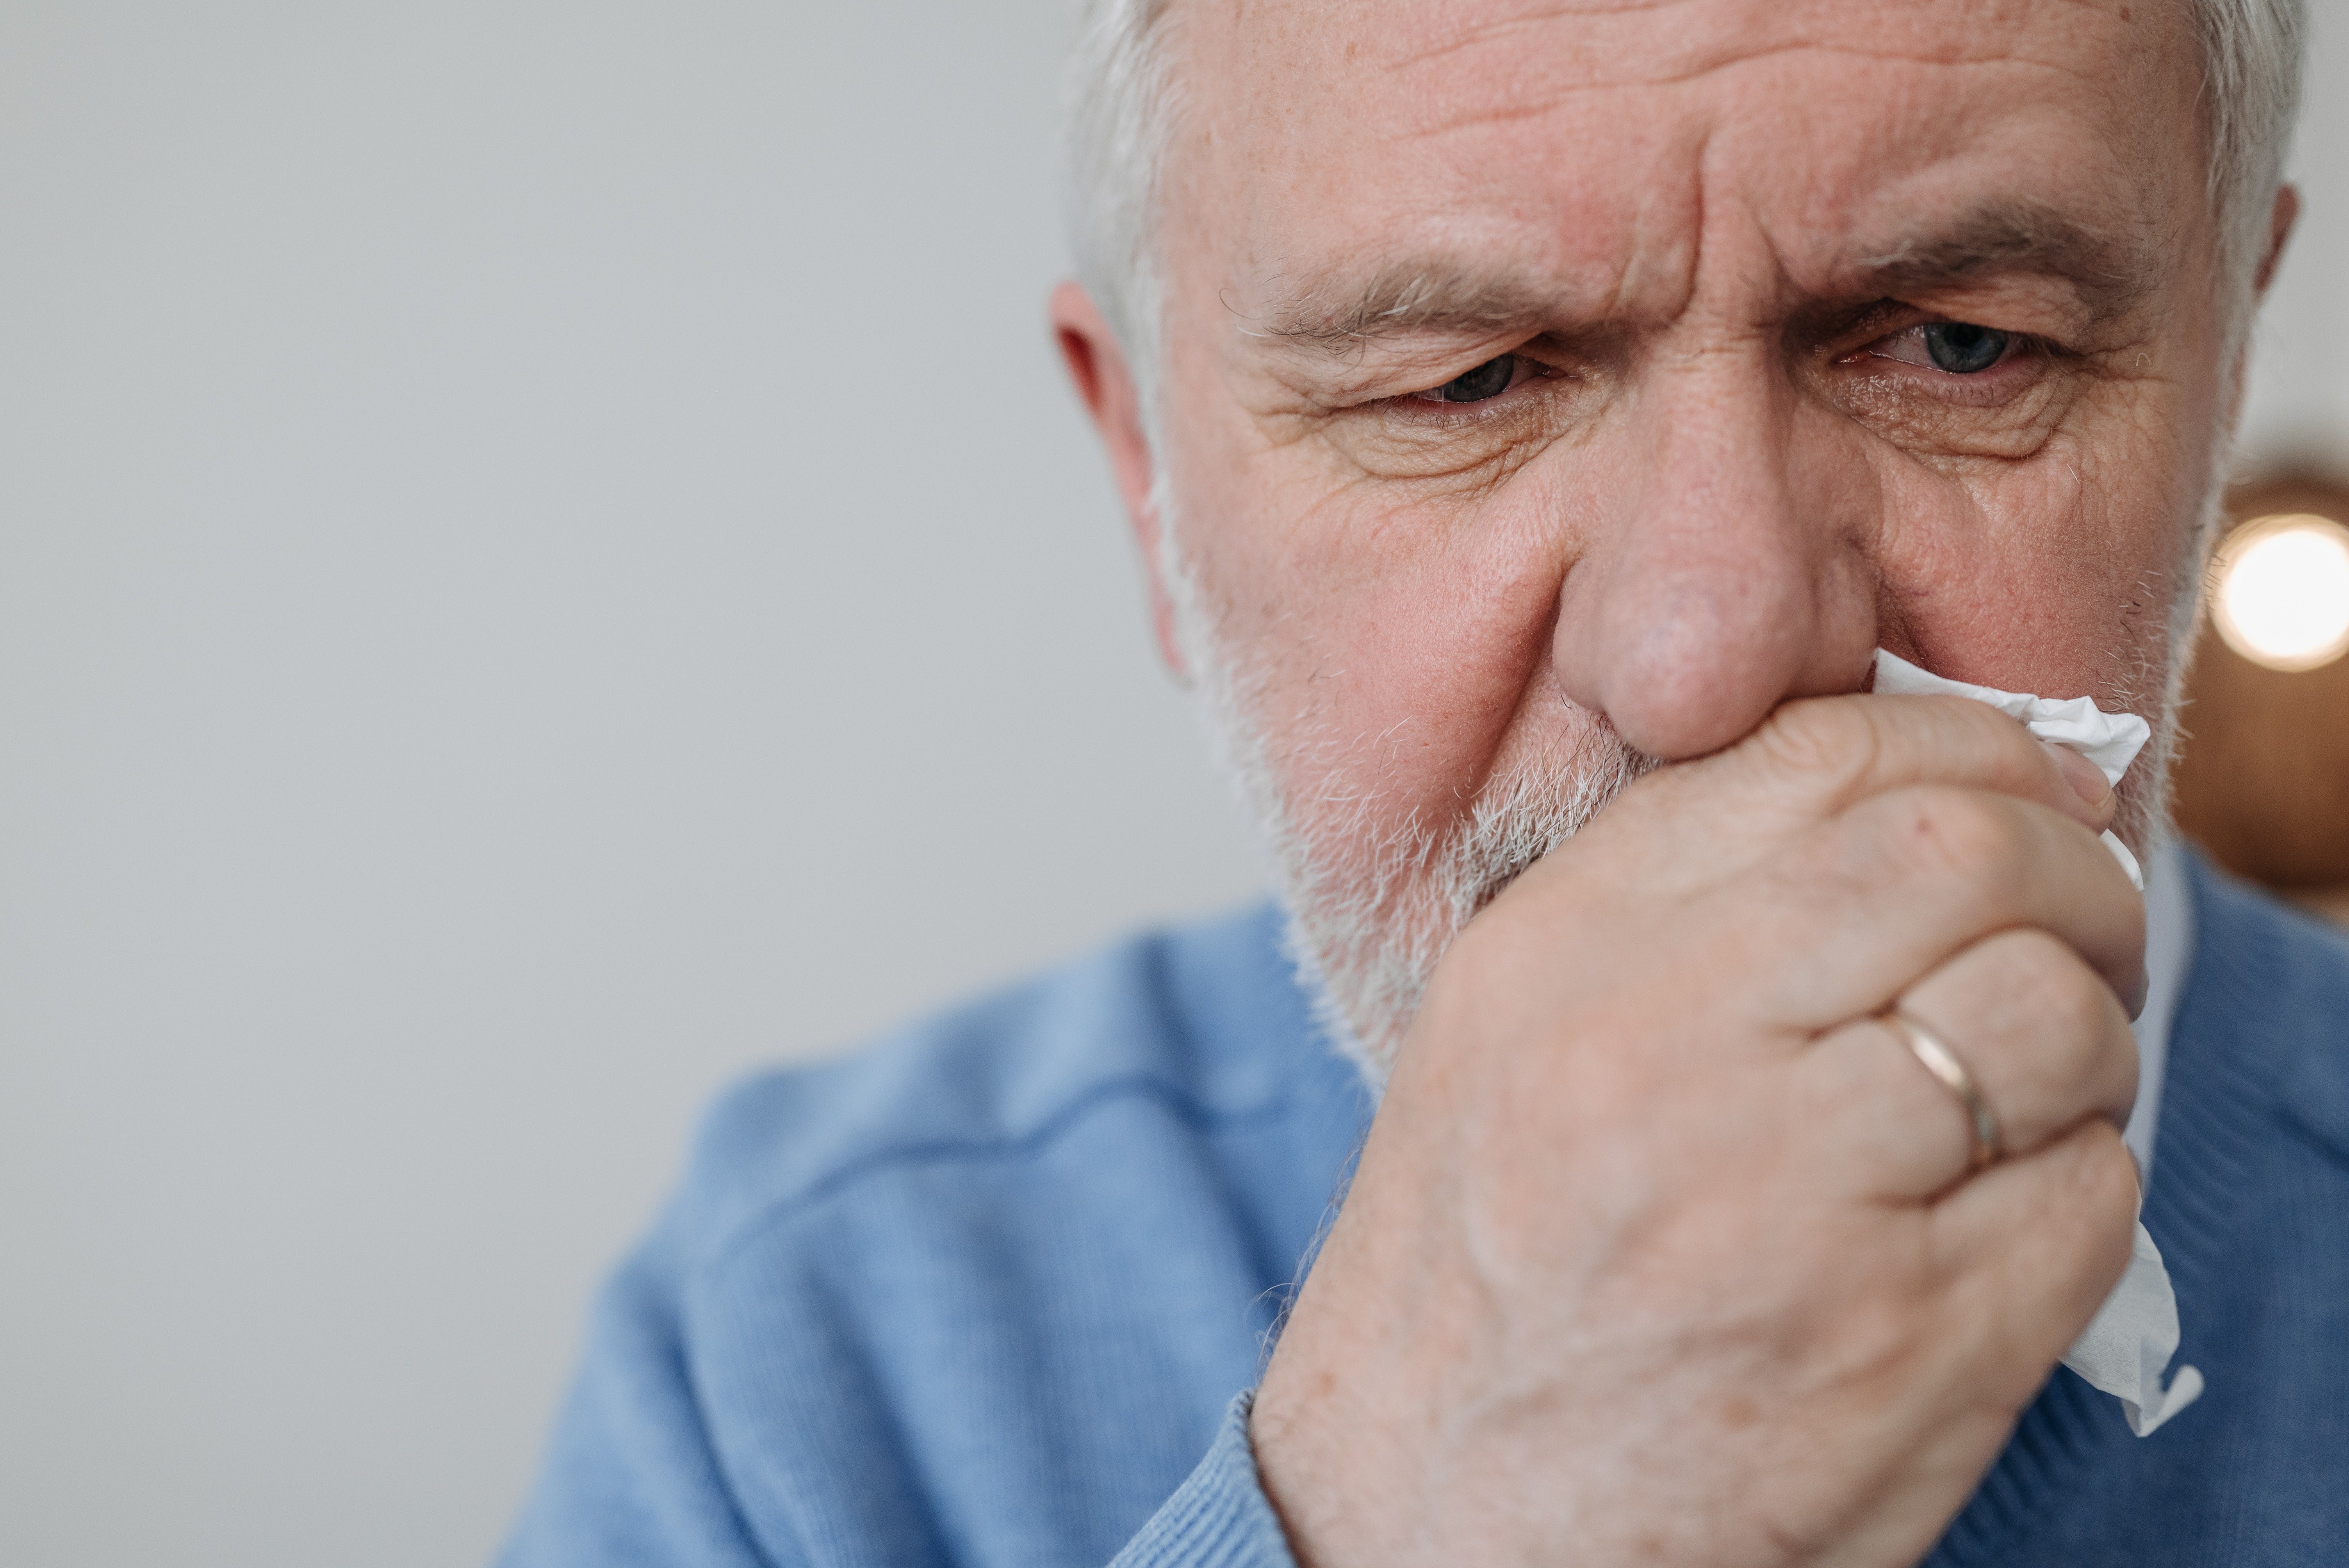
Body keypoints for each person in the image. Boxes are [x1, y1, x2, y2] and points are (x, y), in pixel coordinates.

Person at [498, 0, 2349, 1563]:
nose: (1710, 662)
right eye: (1466, 381)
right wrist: (1403, 1494)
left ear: (2217, 370)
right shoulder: (800, 1364)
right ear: (1148, 475)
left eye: (1961, 345)